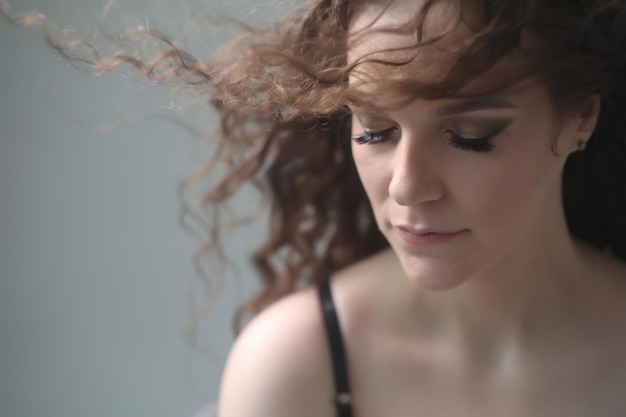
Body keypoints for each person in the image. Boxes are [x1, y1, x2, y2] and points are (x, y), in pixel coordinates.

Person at [4, 0, 626, 416]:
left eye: (470, 134)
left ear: (579, 118)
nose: (408, 187)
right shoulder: (298, 368)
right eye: (375, 129)